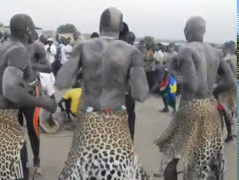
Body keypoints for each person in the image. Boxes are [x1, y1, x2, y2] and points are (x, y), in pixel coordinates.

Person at [56, 7, 149, 179]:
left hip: (88, 118)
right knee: (119, 169)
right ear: (121, 27)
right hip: (116, 120)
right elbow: (141, 95)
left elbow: (61, 82)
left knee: (82, 167)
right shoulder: (131, 52)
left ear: (100, 24)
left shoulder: (83, 46)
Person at [154, 16, 236, 179]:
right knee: (206, 157)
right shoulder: (215, 52)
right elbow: (231, 81)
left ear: (188, 31)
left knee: (172, 157)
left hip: (190, 109)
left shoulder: (186, 49)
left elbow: (192, 85)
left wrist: (172, 70)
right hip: (210, 107)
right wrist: (212, 91)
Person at [0, 14, 57, 180]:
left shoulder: (1, 47)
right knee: (17, 171)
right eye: (33, 28)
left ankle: (36, 161)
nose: (35, 33)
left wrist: (24, 68)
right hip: (6, 116)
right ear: (28, 30)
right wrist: (44, 102)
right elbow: (11, 91)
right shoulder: (19, 50)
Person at [17, 29, 52, 174]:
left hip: (32, 92)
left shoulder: (37, 47)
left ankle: (36, 160)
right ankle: (19, 161)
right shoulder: (11, 46)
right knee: (15, 129)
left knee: (33, 129)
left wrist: (31, 66)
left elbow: (48, 67)